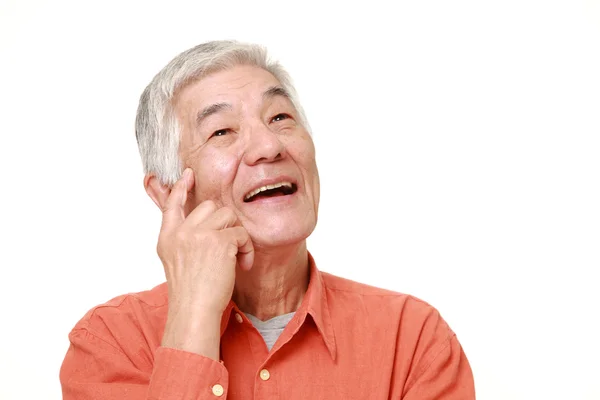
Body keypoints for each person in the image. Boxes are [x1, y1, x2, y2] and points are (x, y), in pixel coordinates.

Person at [60, 40, 475, 399]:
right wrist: (194, 314)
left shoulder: (413, 338)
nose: (268, 145)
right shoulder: (110, 343)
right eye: (222, 131)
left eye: (279, 117)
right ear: (169, 193)